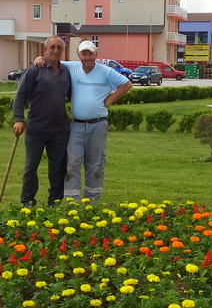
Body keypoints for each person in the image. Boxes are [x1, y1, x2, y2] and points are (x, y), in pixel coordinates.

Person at [37, 40, 132, 202]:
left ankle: (92, 200)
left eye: (90, 53)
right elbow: (52, 60)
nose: (87, 57)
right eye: (84, 54)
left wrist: (108, 101)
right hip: (77, 125)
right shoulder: (71, 67)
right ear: (78, 54)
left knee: (95, 164)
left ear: (96, 54)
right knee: (72, 162)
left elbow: (126, 84)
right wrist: (40, 58)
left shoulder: (106, 71)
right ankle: (72, 200)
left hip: (98, 125)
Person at [11, 36, 72, 206]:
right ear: (45, 50)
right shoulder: (34, 70)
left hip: (60, 131)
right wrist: (18, 119)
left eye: (59, 48)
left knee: (58, 168)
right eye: (52, 47)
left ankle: (55, 201)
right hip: (36, 129)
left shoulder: (66, 71)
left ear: (62, 50)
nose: (55, 50)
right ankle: (27, 201)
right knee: (31, 167)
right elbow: (20, 96)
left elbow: (74, 94)